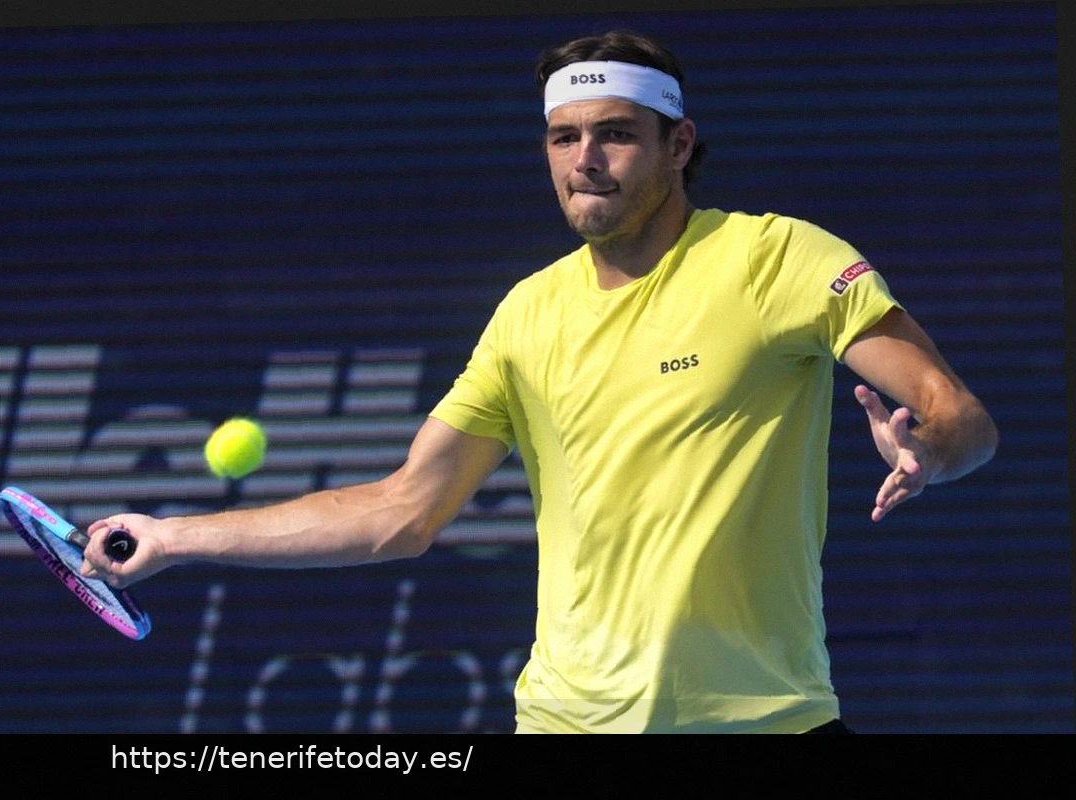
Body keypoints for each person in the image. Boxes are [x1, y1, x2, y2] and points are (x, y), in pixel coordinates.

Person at [81, 30, 998, 733]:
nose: (584, 159)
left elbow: (956, 412)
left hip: (765, 721)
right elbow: (403, 510)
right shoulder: (528, 314)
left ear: (679, 144)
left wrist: (932, 450)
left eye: (615, 134)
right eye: (564, 137)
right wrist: (174, 537)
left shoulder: (776, 258)